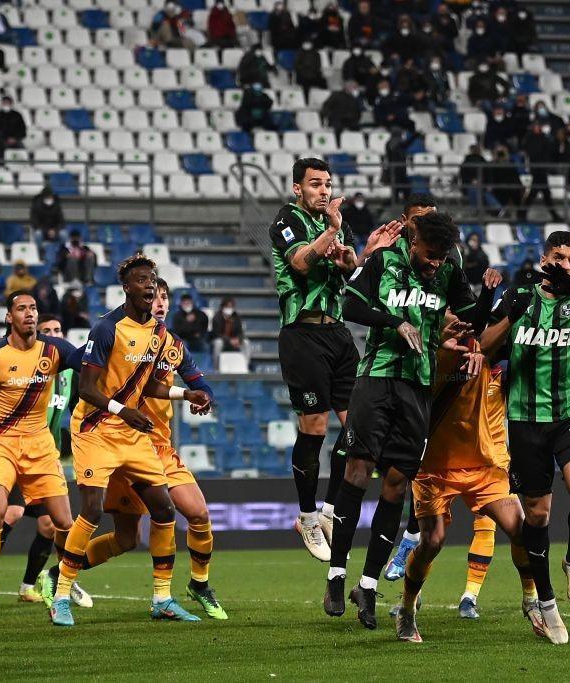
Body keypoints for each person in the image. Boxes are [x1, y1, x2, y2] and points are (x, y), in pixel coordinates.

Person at [324, 211, 479, 630]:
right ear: (413, 243)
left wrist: (484, 309)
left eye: (441, 257)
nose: (434, 263)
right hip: (376, 378)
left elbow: (472, 313)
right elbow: (349, 304)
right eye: (429, 255)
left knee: (396, 483)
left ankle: (369, 585)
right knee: (356, 471)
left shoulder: (447, 271)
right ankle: (337, 575)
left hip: (418, 388)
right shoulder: (383, 263)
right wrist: (394, 322)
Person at [39, 280, 225, 620]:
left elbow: (198, 383)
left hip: (154, 445)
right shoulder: (117, 335)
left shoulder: (172, 346)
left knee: (194, 514)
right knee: (123, 536)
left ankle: (194, 586)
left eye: (163, 296)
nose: (158, 302)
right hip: (112, 437)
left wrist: (201, 396)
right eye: (153, 296)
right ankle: (59, 581)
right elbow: (78, 364)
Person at [270, 158, 400, 561]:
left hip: (337, 332)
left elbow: (343, 277)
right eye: (315, 184)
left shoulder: (328, 226)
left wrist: (363, 257)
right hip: (302, 333)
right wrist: (332, 231)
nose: (323, 191)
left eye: (327, 184)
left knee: (357, 427)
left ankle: (327, 509)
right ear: (297, 189)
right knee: (313, 428)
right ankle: (307, 516)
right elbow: (300, 263)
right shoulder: (286, 222)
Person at [478, 231, 570, 645]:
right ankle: (546, 604)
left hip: (568, 412)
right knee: (537, 516)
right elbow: (487, 348)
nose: (566, 263)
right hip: (525, 420)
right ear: (544, 257)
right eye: (559, 257)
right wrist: (511, 312)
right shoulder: (522, 296)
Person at [390, 321, 542, 642]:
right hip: (434, 467)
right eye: (450, 326)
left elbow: (506, 348)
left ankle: (530, 599)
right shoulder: (427, 362)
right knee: (432, 543)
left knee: (521, 529)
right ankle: (407, 607)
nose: (459, 333)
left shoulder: (488, 364)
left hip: (484, 466)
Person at [0, 313, 92, 608]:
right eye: (46, 331)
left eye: (57, 330)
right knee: (9, 514)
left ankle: (32, 585)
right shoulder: (22, 368)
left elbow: (78, 411)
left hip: (45, 455)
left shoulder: (69, 376)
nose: (52, 337)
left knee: (52, 525)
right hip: (15, 451)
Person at [520, 122, 563, 222]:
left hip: (542, 169)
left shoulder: (544, 137)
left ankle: (522, 213)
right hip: (536, 168)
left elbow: (550, 150)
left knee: (538, 192)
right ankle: (554, 215)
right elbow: (532, 152)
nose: (538, 128)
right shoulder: (529, 138)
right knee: (542, 193)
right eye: (536, 126)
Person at [210, 297, 249, 366]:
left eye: (231, 307)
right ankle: (216, 367)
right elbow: (216, 334)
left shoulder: (236, 317)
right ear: (222, 307)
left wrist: (238, 339)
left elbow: (240, 332)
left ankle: (245, 365)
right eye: (227, 307)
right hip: (223, 341)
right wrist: (229, 340)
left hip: (234, 341)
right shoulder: (217, 317)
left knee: (246, 343)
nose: (229, 309)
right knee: (218, 343)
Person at [488, 145, 523, 216]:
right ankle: (503, 211)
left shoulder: (511, 162)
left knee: (516, 190)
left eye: (502, 152)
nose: (500, 154)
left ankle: (517, 213)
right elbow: (490, 177)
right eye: (499, 152)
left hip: (511, 187)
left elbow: (516, 176)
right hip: (498, 187)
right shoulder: (492, 164)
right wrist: (495, 158)